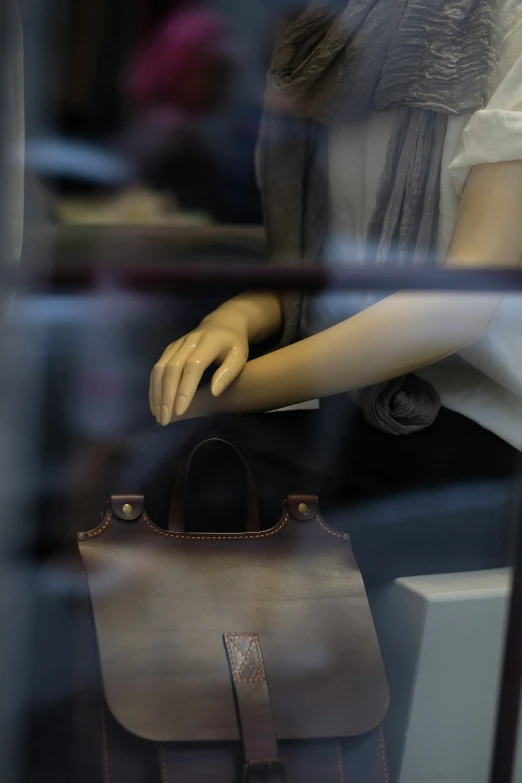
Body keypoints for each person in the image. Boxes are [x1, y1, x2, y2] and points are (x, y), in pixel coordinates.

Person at [147, 0, 522, 583]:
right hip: (340, 421)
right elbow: (333, 263)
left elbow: (460, 302)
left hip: (470, 449)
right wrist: (236, 317)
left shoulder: (508, 26)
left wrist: (236, 393)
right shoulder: (337, 32)